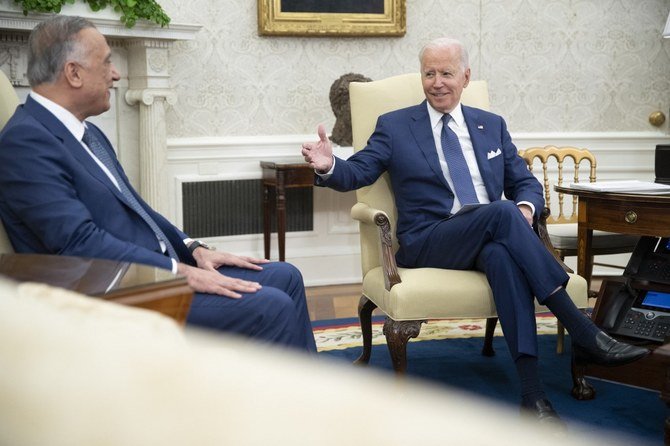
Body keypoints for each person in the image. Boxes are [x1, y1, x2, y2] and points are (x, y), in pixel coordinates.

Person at [301, 37, 648, 423]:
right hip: (429, 240)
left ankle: (533, 398)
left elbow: (526, 183)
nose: (437, 82)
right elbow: (359, 170)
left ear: (465, 77)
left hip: (488, 236)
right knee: (500, 214)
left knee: (502, 252)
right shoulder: (396, 126)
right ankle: (582, 328)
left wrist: (524, 207)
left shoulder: (491, 126)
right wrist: (328, 165)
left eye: (446, 73)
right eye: (429, 73)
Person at [0, 15, 316, 353]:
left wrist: (195, 249)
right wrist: (178, 270)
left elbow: (138, 210)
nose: (116, 74)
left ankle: (312, 399)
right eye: (106, 62)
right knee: (271, 306)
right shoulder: (25, 142)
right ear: (73, 73)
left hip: (149, 274)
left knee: (286, 276)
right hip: (109, 295)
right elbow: (77, 243)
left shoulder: (87, 134)